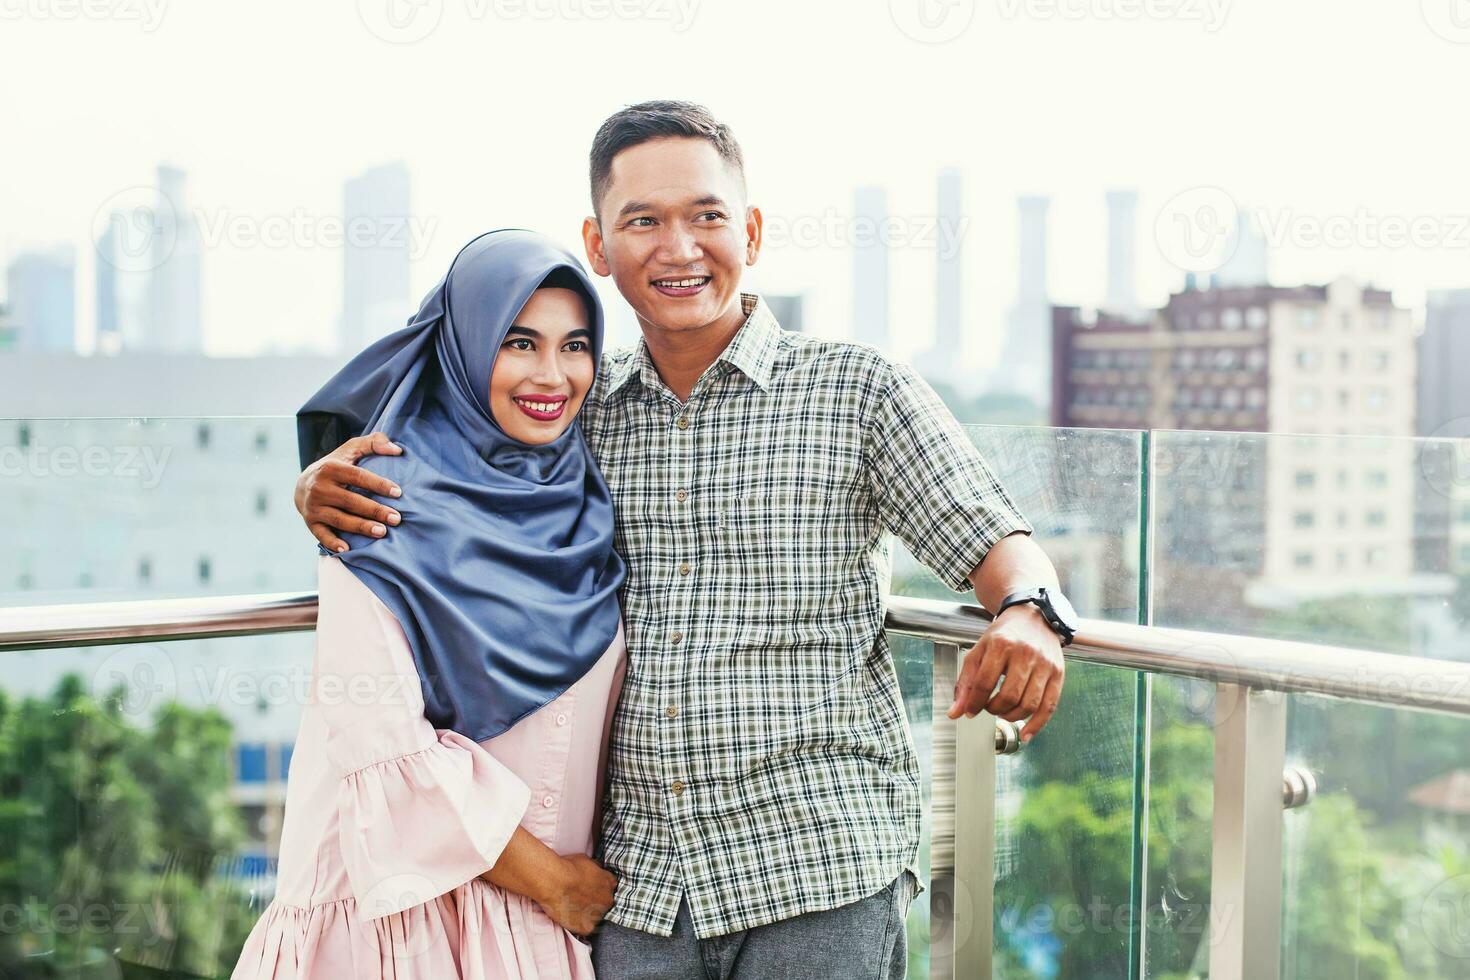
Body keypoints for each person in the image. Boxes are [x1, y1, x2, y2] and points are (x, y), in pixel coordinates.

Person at [294, 101, 1075, 979]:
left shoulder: (858, 390)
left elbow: (994, 536)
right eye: (644, 221)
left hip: (817, 863)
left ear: (751, 229)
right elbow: (453, 479)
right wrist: (317, 482)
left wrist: (1027, 611)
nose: (679, 247)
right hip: (638, 883)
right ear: (598, 247)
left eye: (706, 216)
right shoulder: (576, 413)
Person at [233, 230, 628, 979]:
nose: (553, 374)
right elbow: (384, 745)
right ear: (465, 348)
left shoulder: (586, 497)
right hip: (401, 924)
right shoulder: (378, 501)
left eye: (575, 345)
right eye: (518, 342)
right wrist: (558, 884)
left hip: (533, 927)